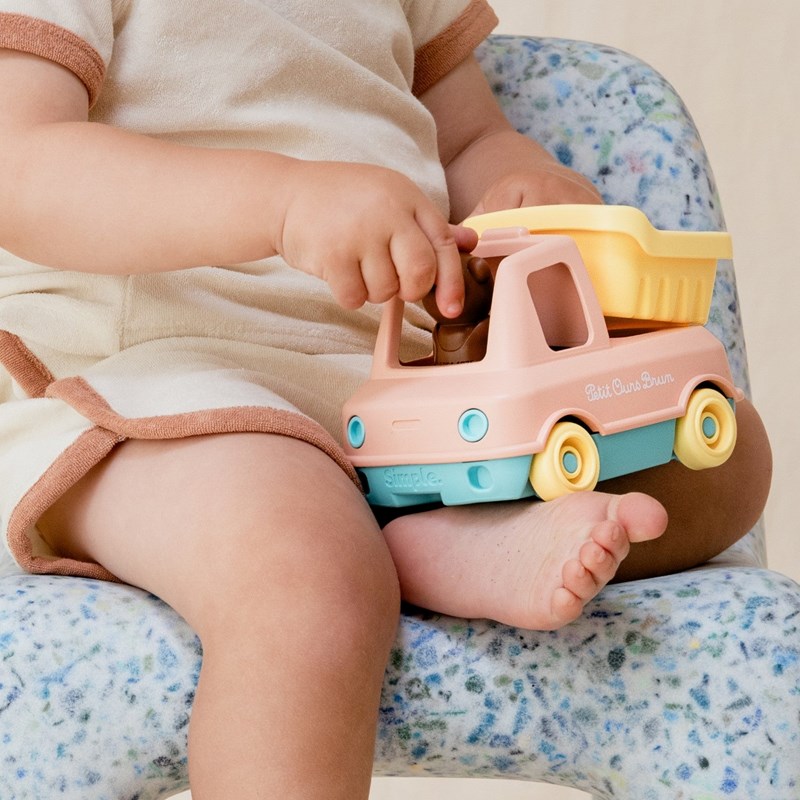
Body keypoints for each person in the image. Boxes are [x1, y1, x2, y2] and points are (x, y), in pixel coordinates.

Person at [0, 2, 771, 798]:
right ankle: (411, 541)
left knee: (723, 456)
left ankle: (437, 535)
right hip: (152, 384)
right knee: (305, 585)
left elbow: (468, 136)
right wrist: (284, 203)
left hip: (386, 372)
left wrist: (519, 182)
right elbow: (20, 168)